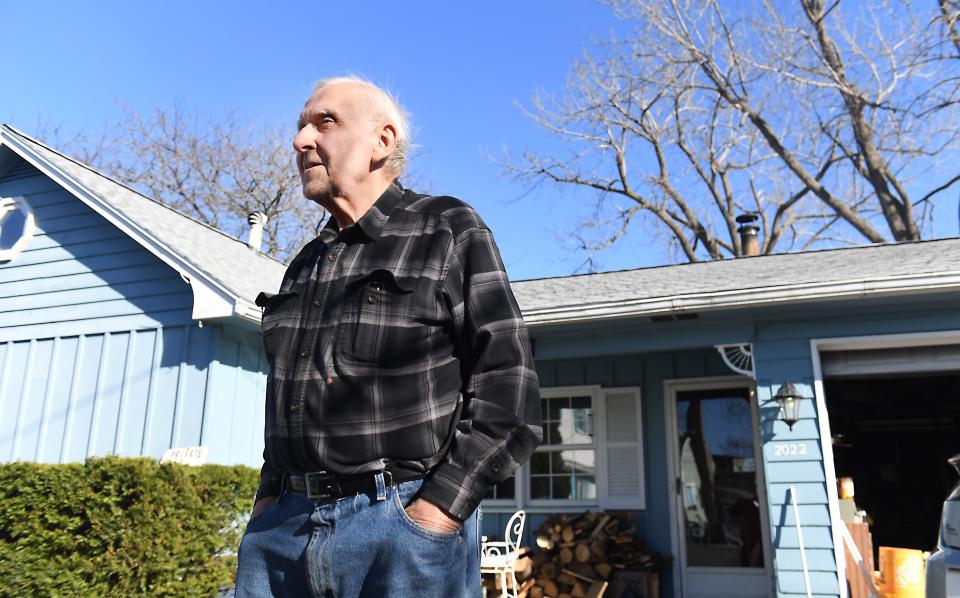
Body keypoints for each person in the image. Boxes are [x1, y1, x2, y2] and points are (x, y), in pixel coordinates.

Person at [235, 76, 542, 598]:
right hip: (281, 535)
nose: (301, 140)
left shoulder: (446, 228)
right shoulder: (304, 266)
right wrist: (269, 501)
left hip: (400, 528)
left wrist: (436, 512)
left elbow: (509, 389)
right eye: (301, 127)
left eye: (324, 122)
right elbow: (289, 404)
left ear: (382, 140)